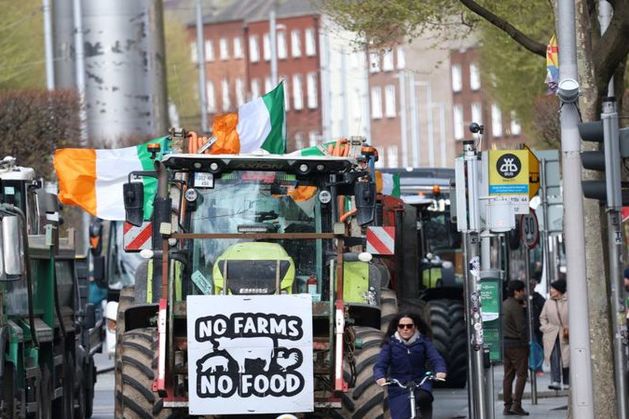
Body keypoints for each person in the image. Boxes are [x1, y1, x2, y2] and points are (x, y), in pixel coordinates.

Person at [373, 313, 447, 419]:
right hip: (398, 385)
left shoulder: (423, 341)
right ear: (397, 328)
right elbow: (380, 364)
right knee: (400, 414)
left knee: (423, 398)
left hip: (420, 382)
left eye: (409, 326)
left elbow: (436, 359)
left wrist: (440, 371)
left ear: (415, 327)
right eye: (401, 326)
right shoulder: (390, 344)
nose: (405, 329)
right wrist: (380, 377)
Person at [502, 280, 530, 416]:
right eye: (522, 290)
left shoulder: (504, 304)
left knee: (508, 376)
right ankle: (516, 404)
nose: (523, 293)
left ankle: (507, 406)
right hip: (517, 345)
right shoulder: (515, 307)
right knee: (522, 374)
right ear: (516, 291)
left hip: (505, 344)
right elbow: (521, 327)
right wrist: (526, 344)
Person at [539, 278, 569, 391]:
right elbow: (543, 317)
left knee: (567, 358)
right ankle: (556, 380)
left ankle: (567, 381)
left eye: (553, 289)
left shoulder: (568, 301)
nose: (551, 291)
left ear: (559, 290)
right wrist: (545, 328)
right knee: (554, 357)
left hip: (566, 334)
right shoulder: (548, 302)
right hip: (552, 334)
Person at [530, 271, 546, 377]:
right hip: (532, 327)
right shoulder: (535, 298)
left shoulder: (537, 298)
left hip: (537, 327)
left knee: (537, 347)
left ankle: (537, 367)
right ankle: (536, 368)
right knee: (535, 348)